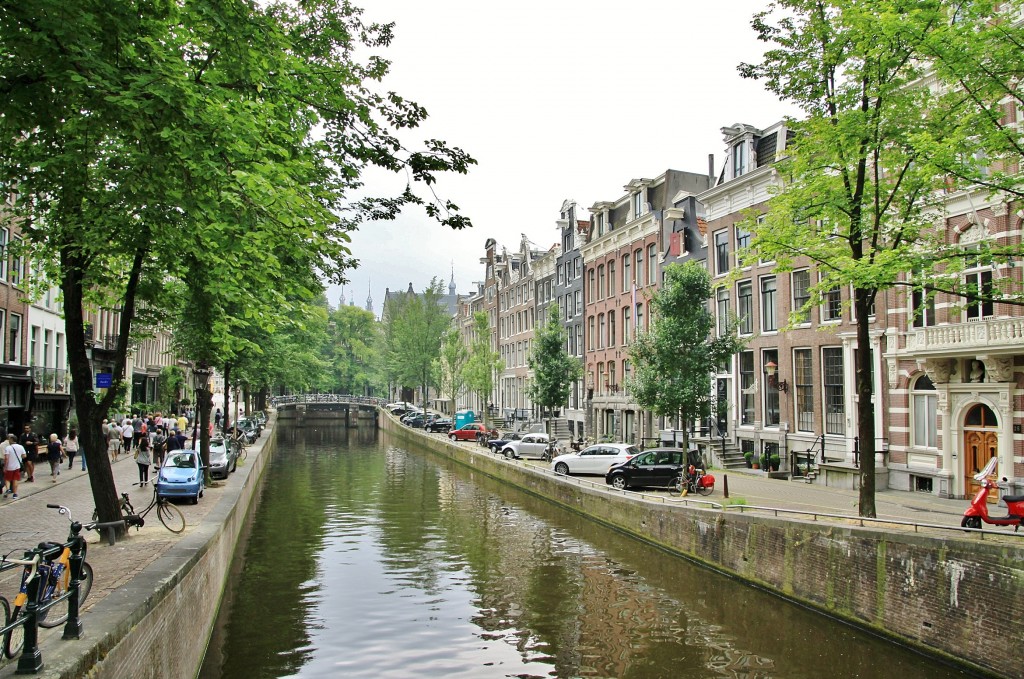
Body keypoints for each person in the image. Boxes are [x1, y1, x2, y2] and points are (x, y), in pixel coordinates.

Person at [3, 435, 26, 499]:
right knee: (15, 479)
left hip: (9, 467)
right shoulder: (21, 447)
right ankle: (15, 494)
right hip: (17, 466)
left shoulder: (8, 448)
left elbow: (6, 458)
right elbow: (24, 456)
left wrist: (5, 467)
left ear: (11, 440)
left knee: (7, 479)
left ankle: (8, 489)